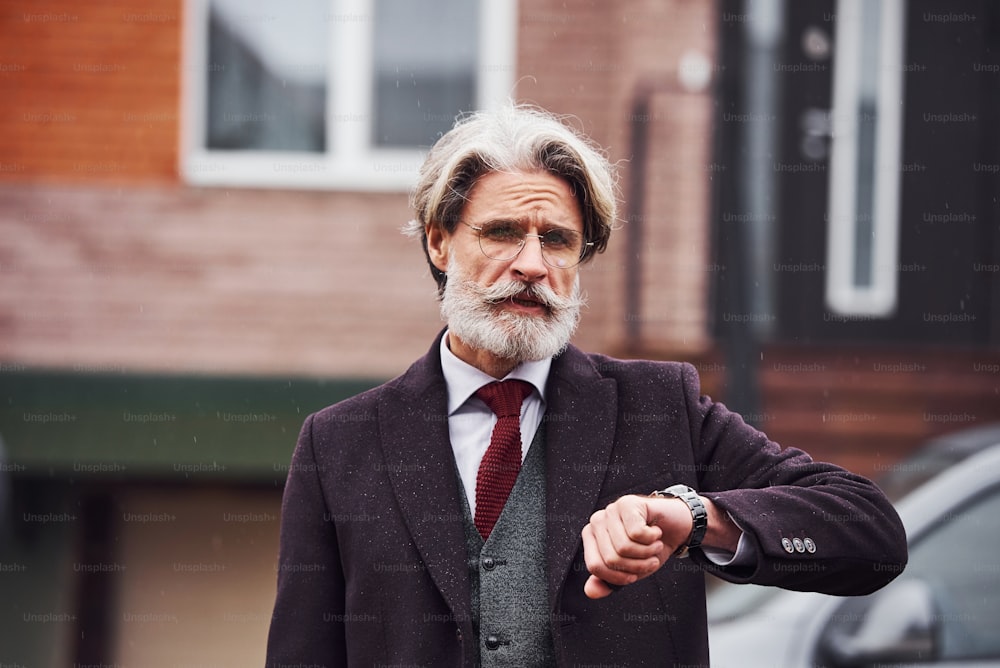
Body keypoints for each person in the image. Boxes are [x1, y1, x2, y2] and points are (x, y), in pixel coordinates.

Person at [265, 103, 907, 667]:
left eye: (559, 241)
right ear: (439, 243)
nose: (532, 265)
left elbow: (871, 534)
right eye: (502, 233)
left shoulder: (660, 408)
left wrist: (694, 517)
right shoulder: (338, 445)